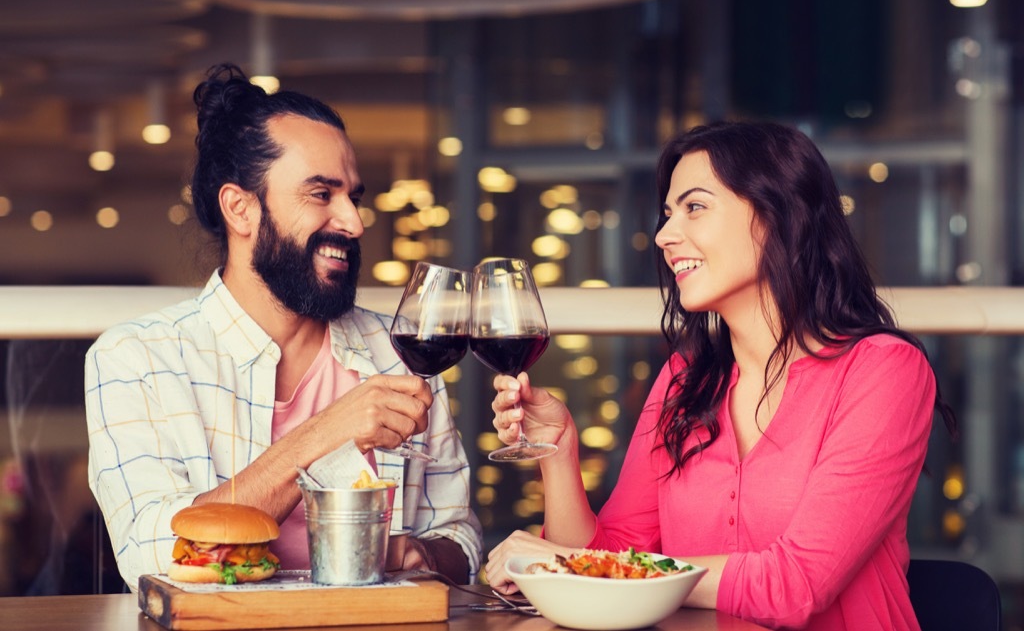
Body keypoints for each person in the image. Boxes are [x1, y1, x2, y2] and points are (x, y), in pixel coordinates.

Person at [485, 121, 956, 630]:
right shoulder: (684, 379)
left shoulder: (882, 371)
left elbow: (796, 585)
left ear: (777, 215)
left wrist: (595, 571)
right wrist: (557, 452)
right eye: (667, 214)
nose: (665, 236)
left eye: (695, 207)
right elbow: (608, 558)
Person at [85, 63, 481, 590]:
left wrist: (419, 553)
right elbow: (153, 555)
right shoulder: (135, 360)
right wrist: (324, 434)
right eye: (321, 195)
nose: (354, 222)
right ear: (240, 209)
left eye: (353, 197)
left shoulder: (399, 354)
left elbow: (463, 540)